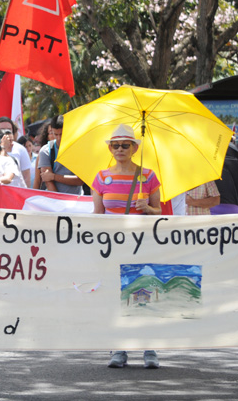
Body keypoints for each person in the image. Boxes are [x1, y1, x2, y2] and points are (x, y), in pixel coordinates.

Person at [91, 124, 161, 369]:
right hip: (112, 246)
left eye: (125, 145)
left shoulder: (149, 177)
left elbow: (159, 212)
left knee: (144, 291)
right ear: (110, 148)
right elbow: (97, 216)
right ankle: (118, 347)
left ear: (135, 148)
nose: (120, 149)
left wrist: (148, 209)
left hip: (142, 244)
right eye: (115, 145)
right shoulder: (100, 178)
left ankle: (149, 347)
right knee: (116, 294)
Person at [35, 115, 84, 195]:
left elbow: (80, 181)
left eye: (61, 134)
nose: (58, 138)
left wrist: (54, 176)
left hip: (77, 200)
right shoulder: (45, 151)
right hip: (55, 201)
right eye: (55, 134)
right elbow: (48, 180)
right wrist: (59, 201)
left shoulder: (77, 149)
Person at [0, 117, 32, 187]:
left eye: (8, 129)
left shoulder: (19, 151)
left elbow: (25, 176)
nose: (5, 132)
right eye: (2, 129)